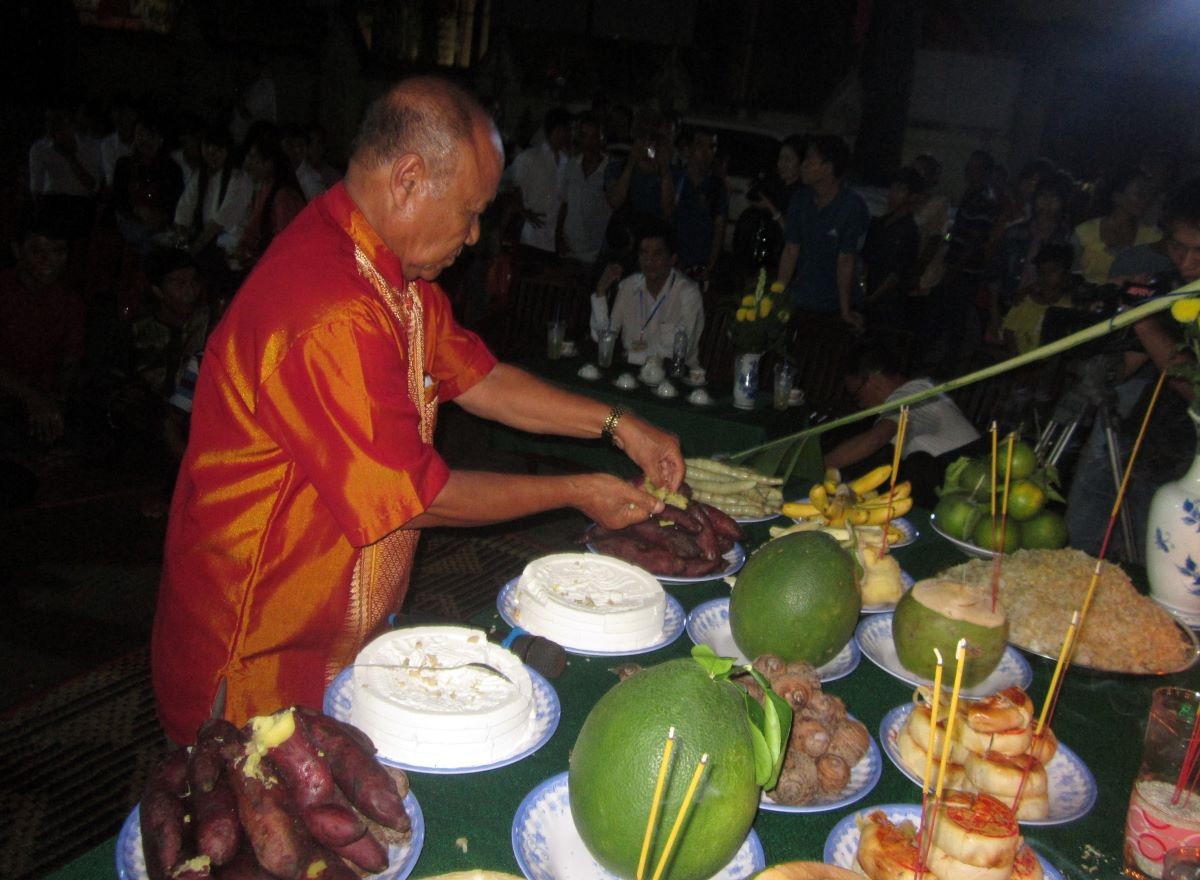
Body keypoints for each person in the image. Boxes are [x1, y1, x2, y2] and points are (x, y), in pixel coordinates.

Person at [151, 77, 684, 745]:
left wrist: (618, 425)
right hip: (258, 654)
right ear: (408, 180)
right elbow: (410, 497)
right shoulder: (328, 306)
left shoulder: (392, 275)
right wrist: (579, 491)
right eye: (469, 210)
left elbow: (482, 380)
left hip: (334, 637)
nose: (473, 233)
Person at [1066, 178, 1200, 560]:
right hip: (1140, 442)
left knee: (1152, 566)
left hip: (1186, 469)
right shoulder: (1178, 286)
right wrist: (1116, 314)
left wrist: (1143, 320)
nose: (1187, 263)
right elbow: (1126, 366)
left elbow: (1195, 390)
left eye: (1199, 252)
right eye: (1178, 247)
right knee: (1083, 545)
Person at [824, 346, 981, 508]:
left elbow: (877, 438)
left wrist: (821, 465)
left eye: (856, 395)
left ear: (873, 381)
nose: (861, 404)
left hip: (969, 488)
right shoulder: (921, 389)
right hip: (960, 482)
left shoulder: (909, 395)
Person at [0, 205, 85, 450]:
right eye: (38, 252)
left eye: (58, 252)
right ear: (18, 251)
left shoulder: (69, 300)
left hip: (45, 397)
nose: (50, 262)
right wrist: (32, 399)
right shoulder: (5, 291)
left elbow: (72, 359)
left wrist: (55, 400)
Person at [774, 133, 870, 331]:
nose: (803, 165)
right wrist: (777, 296)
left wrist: (845, 311)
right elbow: (791, 250)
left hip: (834, 305)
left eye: (810, 159)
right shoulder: (800, 200)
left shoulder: (851, 207)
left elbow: (846, 260)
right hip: (802, 298)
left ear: (828, 167)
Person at [589, 222, 704, 369]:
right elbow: (604, 339)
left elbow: (679, 354)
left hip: (674, 376)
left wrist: (629, 356)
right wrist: (600, 293)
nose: (649, 261)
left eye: (657, 254)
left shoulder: (688, 294)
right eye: (644, 253)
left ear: (672, 259)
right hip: (630, 373)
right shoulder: (628, 287)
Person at [1073, 166, 1160, 285]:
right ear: (1117, 196)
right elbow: (1071, 277)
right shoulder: (1084, 232)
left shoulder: (1153, 237)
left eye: (1148, 193)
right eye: (1139, 193)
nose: (1145, 198)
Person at [861, 167, 924, 330]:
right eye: (893, 187)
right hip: (869, 294)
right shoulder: (880, 223)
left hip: (889, 304)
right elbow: (866, 258)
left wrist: (872, 297)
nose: (893, 193)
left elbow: (896, 274)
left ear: (913, 197)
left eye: (901, 190)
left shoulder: (909, 231)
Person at [505, 107, 571, 258]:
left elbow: (563, 203)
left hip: (554, 238)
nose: (570, 135)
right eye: (568, 130)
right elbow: (507, 185)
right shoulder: (529, 158)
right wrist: (523, 212)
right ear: (558, 130)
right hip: (531, 237)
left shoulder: (566, 162)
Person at [670, 128, 729, 283]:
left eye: (711, 147)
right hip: (671, 263)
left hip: (699, 268)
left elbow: (719, 229)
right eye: (700, 146)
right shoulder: (675, 180)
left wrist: (710, 266)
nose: (706, 152)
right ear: (688, 150)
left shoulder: (716, 187)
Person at [1001, 243, 1078, 356]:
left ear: (1065, 272)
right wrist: (1017, 357)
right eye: (1042, 272)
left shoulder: (1069, 306)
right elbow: (1008, 331)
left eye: (1053, 271)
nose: (1046, 276)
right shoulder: (1025, 300)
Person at [559, 111, 611, 266]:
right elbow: (564, 204)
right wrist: (559, 239)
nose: (588, 142)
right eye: (584, 136)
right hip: (570, 248)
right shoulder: (571, 165)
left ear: (602, 138)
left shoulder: (610, 168)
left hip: (597, 251)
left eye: (593, 137)